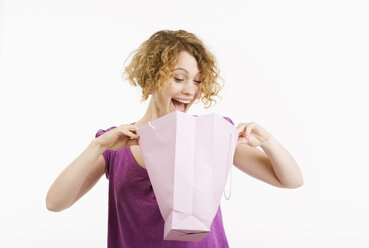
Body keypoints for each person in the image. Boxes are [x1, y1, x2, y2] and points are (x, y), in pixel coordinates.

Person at [46, 30, 304, 248]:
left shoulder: (212, 135)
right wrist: (98, 146)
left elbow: (291, 180)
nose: (190, 90)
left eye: (198, 80)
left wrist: (267, 140)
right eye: (179, 78)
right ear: (152, 76)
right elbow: (55, 203)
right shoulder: (116, 145)